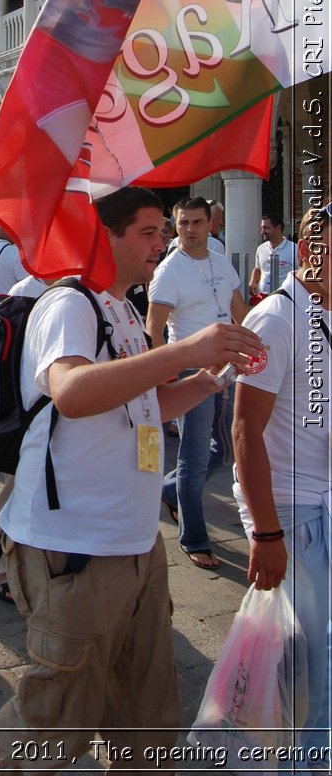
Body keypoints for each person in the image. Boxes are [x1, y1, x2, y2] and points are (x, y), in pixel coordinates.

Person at [0, 187, 262, 773]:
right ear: (107, 237)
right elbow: (73, 392)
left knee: (147, 712)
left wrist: (208, 379)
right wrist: (185, 348)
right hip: (77, 547)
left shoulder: (122, 307)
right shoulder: (69, 305)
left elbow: (142, 405)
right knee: (55, 715)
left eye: (162, 233)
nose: (163, 243)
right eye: (149, 233)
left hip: (134, 542)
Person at [232, 202, 330, 755]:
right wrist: (266, 533)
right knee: (306, 671)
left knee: (324, 664)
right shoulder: (275, 317)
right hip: (294, 514)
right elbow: (245, 430)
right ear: (311, 252)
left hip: (326, 502)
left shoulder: (325, 306)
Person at [147, 196, 249, 568]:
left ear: (211, 224)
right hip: (192, 372)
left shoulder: (222, 264)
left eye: (197, 223)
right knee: (192, 457)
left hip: (227, 370)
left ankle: (170, 491)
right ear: (175, 227)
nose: (191, 230)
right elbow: (154, 328)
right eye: (184, 223)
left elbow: (241, 312)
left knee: (223, 450)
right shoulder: (170, 270)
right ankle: (194, 538)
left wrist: (258, 348)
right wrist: (168, 375)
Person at [248, 211, 298, 299]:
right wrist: (253, 281)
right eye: (262, 228)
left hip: (285, 297)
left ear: (278, 228)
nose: (262, 231)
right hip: (263, 297)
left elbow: (301, 273)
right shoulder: (261, 248)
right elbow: (258, 269)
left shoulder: (294, 249)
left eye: (266, 228)